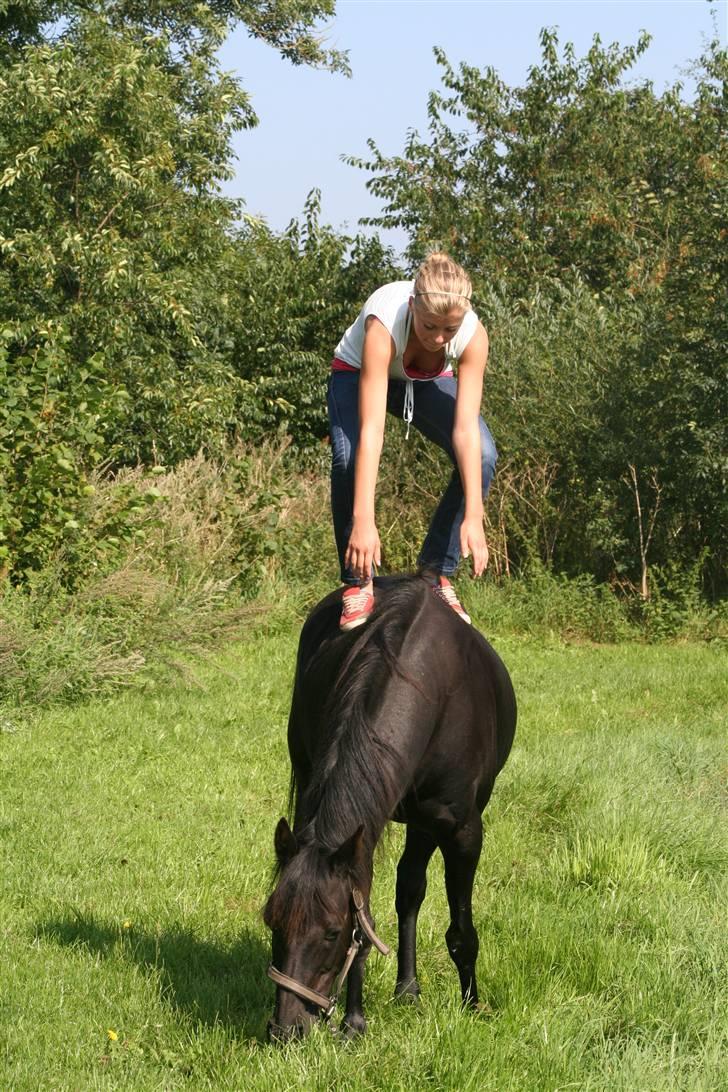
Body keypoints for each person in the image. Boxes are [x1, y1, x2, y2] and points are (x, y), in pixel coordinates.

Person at [327, 251, 497, 631]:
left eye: (449, 330)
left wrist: (473, 515)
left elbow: (466, 430)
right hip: (356, 373)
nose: (438, 339)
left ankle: (437, 572)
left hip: (421, 380)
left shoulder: (472, 337)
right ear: (411, 307)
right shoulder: (383, 324)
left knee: (483, 454)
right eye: (429, 326)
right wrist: (364, 521)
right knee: (349, 459)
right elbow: (372, 430)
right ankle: (357, 581)